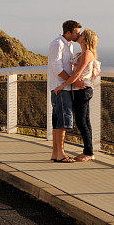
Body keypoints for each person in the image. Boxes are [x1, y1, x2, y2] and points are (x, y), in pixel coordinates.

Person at [55, 29, 100, 161]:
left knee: (82, 122)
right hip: (81, 91)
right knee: (84, 121)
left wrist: (62, 85)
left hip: (83, 91)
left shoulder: (87, 54)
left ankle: (88, 153)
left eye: (81, 35)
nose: (79, 36)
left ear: (86, 39)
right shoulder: (82, 53)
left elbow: (76, 74)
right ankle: (88, 151)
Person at [48, 20, 84, 162]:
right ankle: (61, 154)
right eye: (76, 32)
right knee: (63, 121)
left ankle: (55, 153)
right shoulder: (58, 44)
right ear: (68, 32)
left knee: (58, 121)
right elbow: (57, 68)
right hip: (60, 87)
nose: (78, 34)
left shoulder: (68, 45)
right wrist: (73, 80)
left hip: (62, 87)